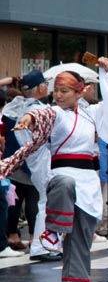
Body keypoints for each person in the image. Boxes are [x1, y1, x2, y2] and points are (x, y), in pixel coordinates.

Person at [1, 59, 108, 282]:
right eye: (56, 91)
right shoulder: (54, 113)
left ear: (82, 91)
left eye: (65, 91)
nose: (59, 95)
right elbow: (40, 113)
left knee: (79, 246)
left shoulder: (93, 114)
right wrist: (28, 117)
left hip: (88, 181)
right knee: (65, 184)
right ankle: (53, 232)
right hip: (59, 174)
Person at [2, 70, 53, 260]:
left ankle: (13, 235)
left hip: (13, 160)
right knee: (36, 199)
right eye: (45, 84)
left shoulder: (13, 107)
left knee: (14, 200)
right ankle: (35, 239)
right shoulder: (40, 109)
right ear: (40, 87)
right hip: (33, 161)